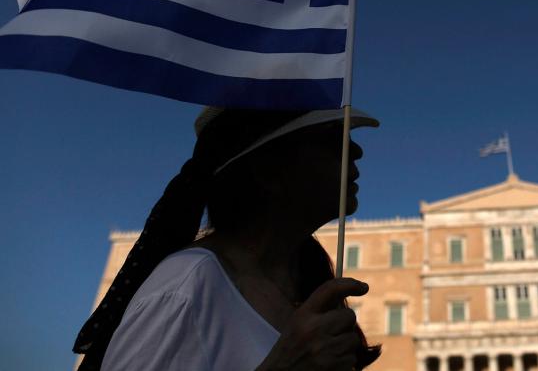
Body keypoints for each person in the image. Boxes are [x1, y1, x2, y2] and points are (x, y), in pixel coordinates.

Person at [73, 107, 382, 370]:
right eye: (331, 137)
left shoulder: (301, 291)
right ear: (268, 171)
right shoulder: (186, 287)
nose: (355, 150)